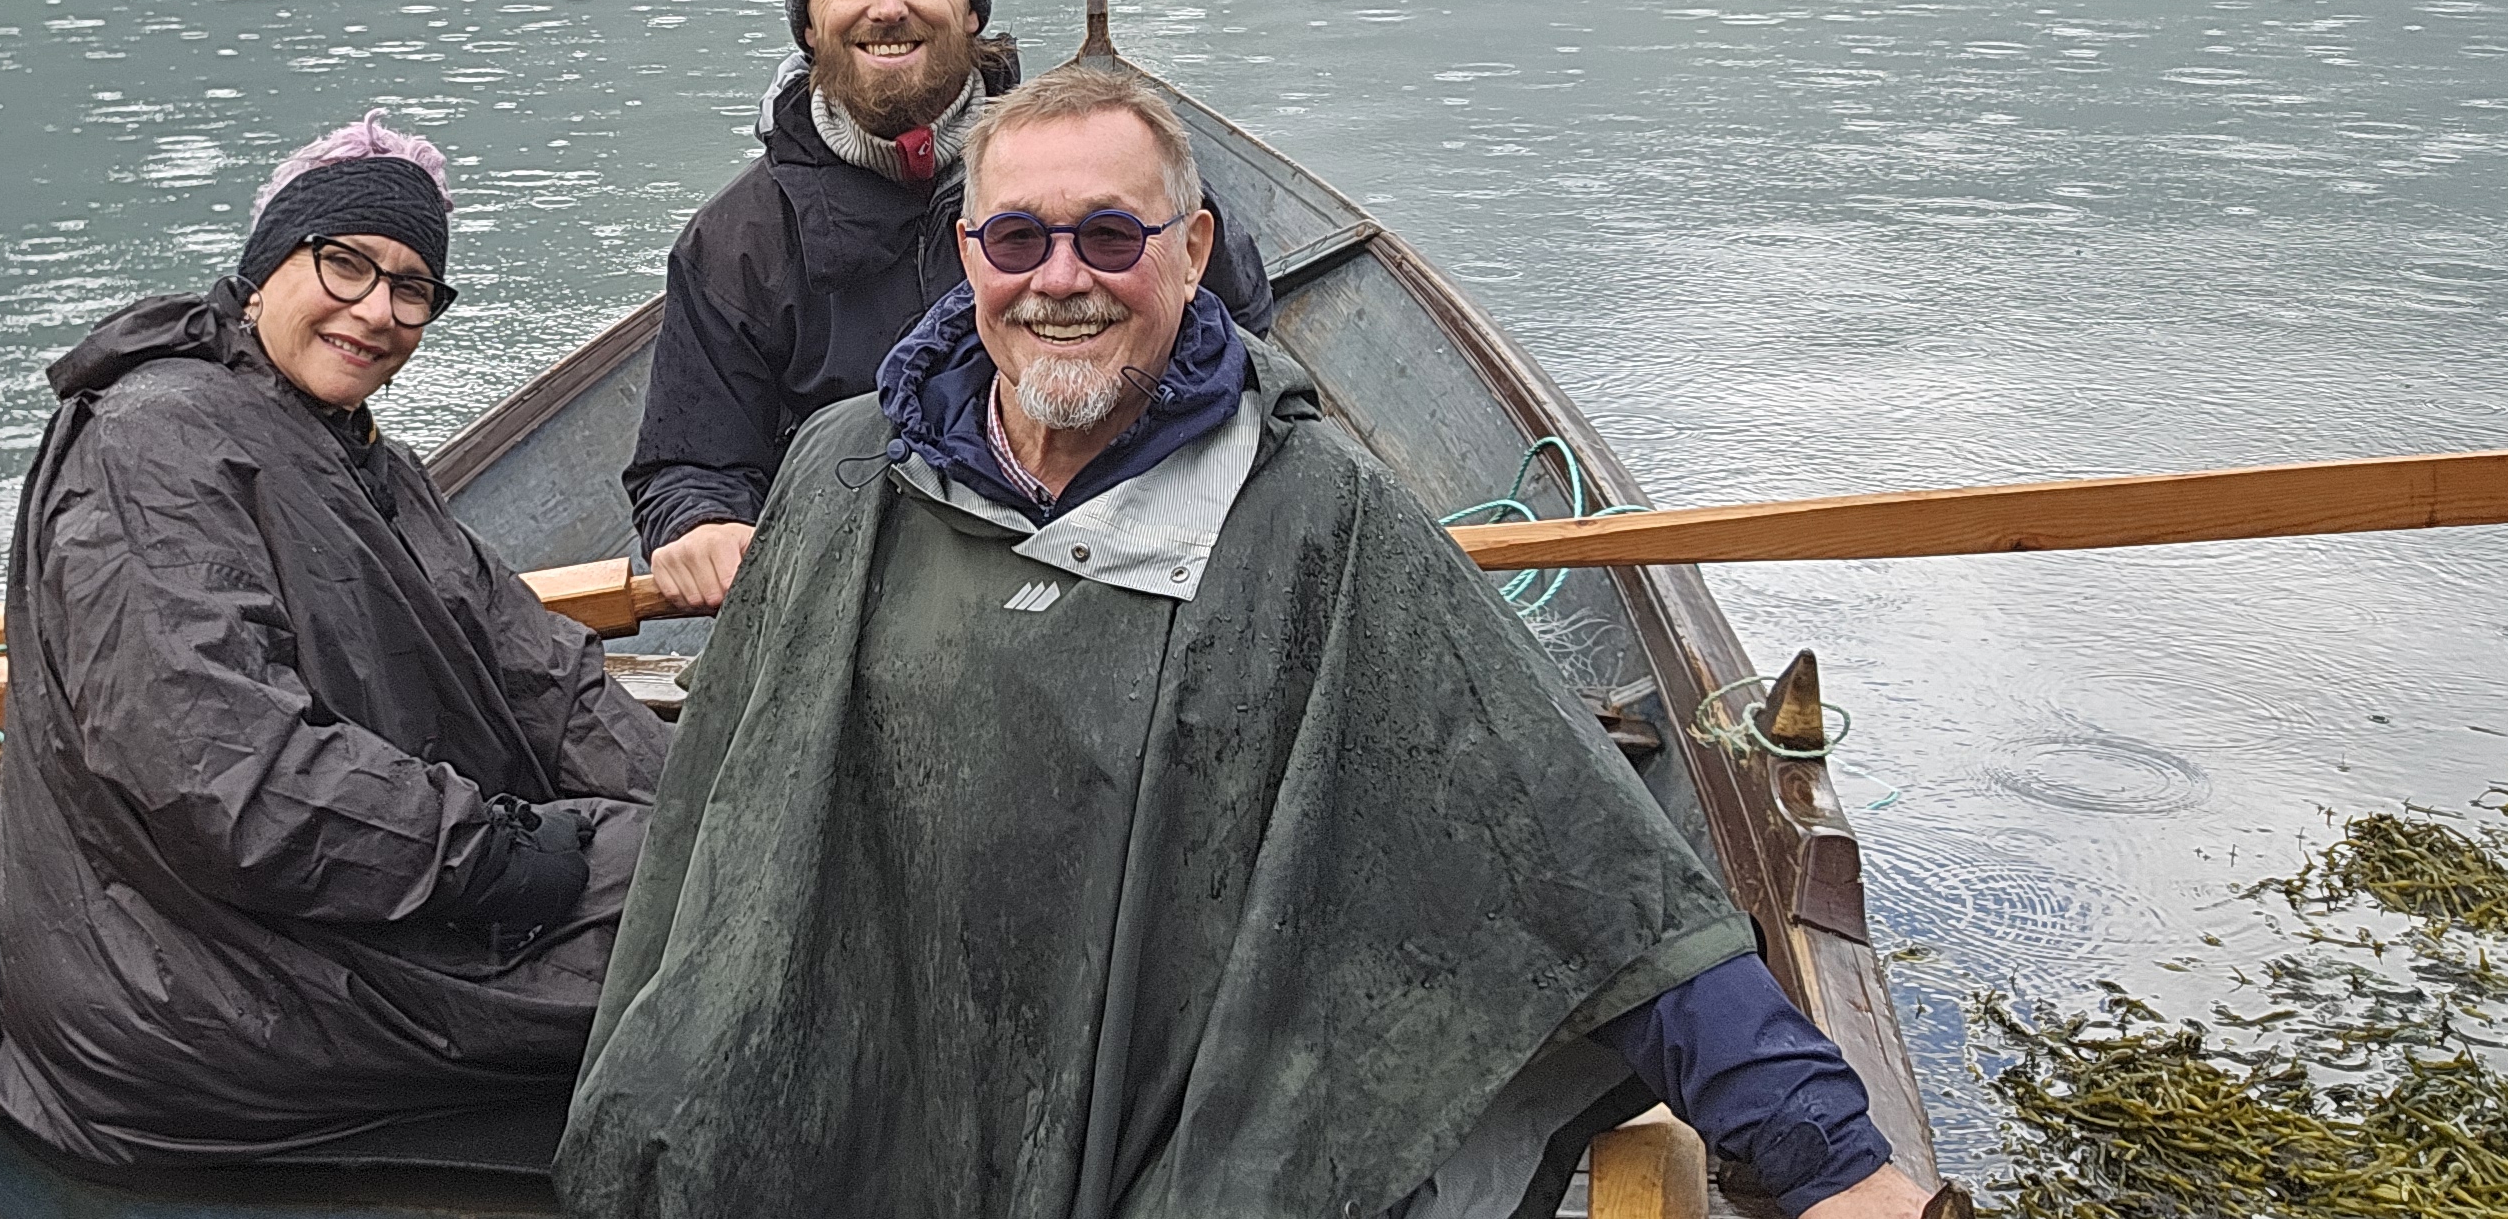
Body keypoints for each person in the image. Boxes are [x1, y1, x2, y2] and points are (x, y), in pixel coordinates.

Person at [562, 65, 1942, 1219]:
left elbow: (1574, 852)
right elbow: (724, 832)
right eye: (1019, 239)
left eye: (1112, 237)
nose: (1061, 280)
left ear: (1194, 251)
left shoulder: (1317, 517)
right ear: (967, 253)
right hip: (877, 1088)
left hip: (1180, 1121)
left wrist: (1829, 1155)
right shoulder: (842, 473)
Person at [0, 113, 672, 1167]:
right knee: (718, 920)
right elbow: (222, 773)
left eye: (412, 288)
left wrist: (706, 791)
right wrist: (488, 852)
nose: (377, 310)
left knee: (737, 856)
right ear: (265, 267)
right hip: (187, 982)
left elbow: (538, 672)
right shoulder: (154, 443)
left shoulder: (355, 452)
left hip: (334, 898)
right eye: (344, 263)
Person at [624, 0, 1270, 613]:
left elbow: (1239, 354)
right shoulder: (736, 244)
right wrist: (702, 525)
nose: (887, 6)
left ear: (971, 12)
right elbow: (690, 464)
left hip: (1128, 566)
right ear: (808, 25)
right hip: (862, 594)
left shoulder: (1103, 174)